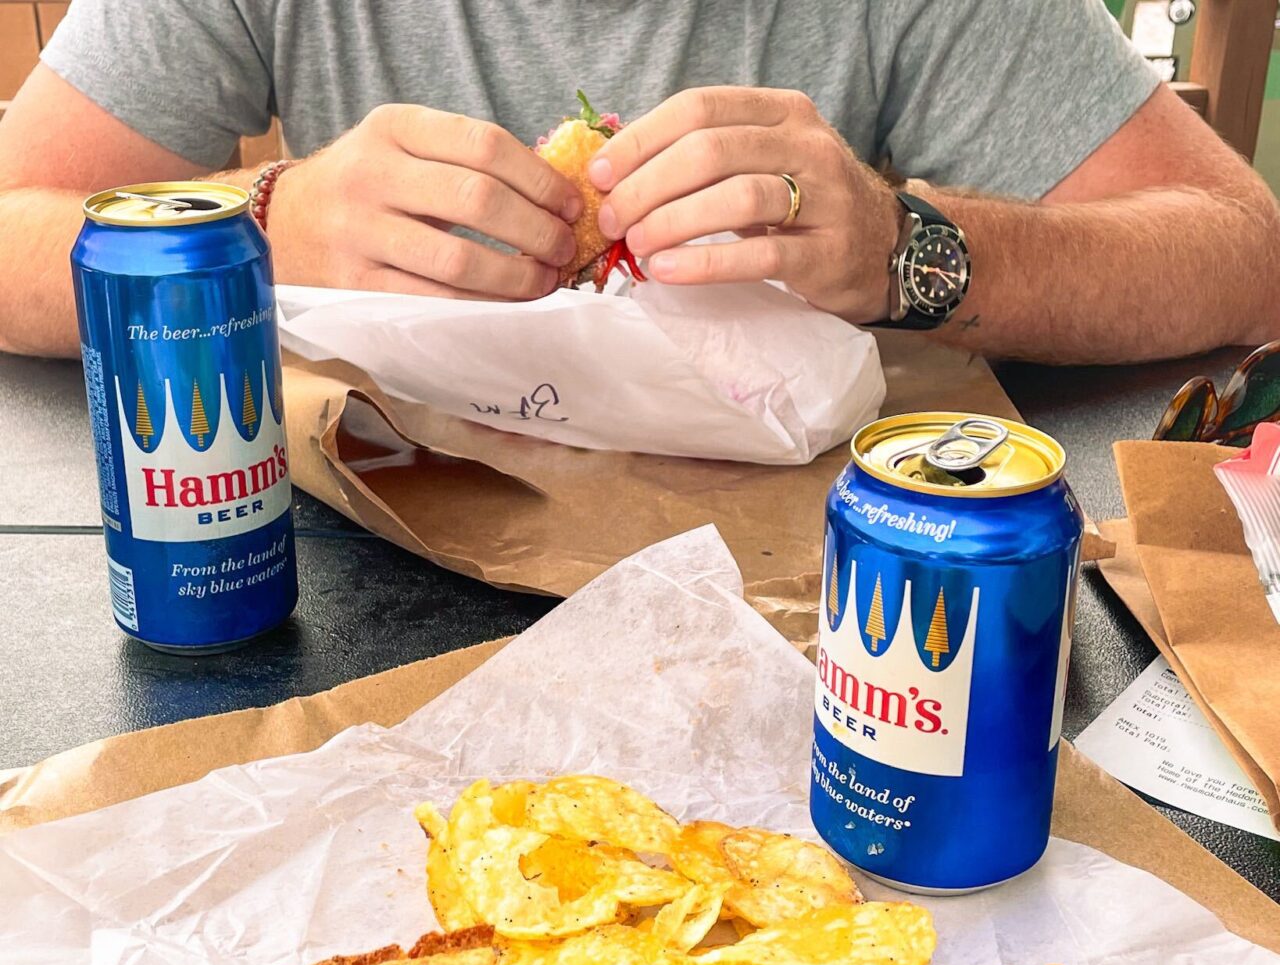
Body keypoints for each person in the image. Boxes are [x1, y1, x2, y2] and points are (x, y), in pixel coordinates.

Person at [0, 0, 1276, 364]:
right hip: (331, 565)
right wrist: (259, 225)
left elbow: (1236, 247)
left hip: (806, 614)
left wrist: (903, 247)